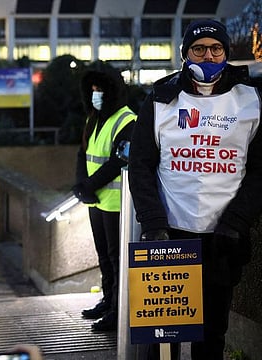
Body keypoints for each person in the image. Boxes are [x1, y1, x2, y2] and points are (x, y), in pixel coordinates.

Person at [128, 19, 262, 359]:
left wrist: (235, 223)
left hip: (222, 239)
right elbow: (141, 165)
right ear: (185, 53)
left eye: (215, 49)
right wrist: (153, 223)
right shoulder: (160, 97)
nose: (207, 56)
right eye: (198, 49)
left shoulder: (252, 100)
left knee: (212, 335)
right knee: (162, 337)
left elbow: (260, 172)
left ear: (226, 52)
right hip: (171, 235)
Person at [73, 64, 136, 332]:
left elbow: (118, 161)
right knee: (103, 255)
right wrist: (80, 185)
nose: (96, 94)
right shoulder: (94, 118)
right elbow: (83, 153)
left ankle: (117, 310)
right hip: (96, 200)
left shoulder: (127, 120)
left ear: (112, 91)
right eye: (92, 90)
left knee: (116, 257)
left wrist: (89, 185)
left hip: (115, 202)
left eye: (100, 90)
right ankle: (108, 299)